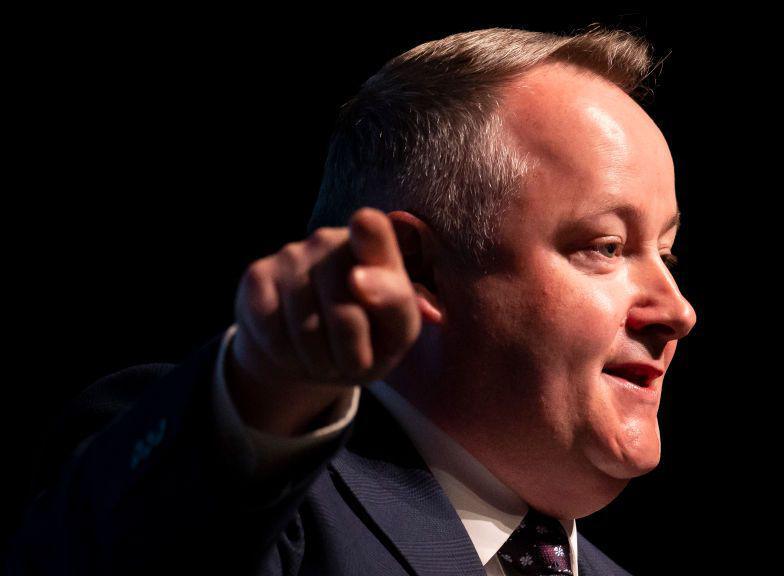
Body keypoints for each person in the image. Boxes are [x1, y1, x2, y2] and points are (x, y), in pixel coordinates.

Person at [5, 26, 696, 575]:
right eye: (606, 247)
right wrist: (263, 383)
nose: (678, 310)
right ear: (417, 267)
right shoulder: (264, 509)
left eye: (665, 253)